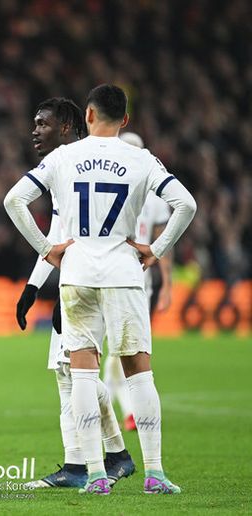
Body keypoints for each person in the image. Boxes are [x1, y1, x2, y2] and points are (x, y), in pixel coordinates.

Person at [4, 84, 196, 495]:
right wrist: (156, 249)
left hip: (77, 274)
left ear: (88, 115)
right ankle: (155, 474)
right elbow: (187, 205)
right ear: (125, 119)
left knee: (82, 375)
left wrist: (46, 250)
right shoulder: (141, 158)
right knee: (139, 375)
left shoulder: (63, 157)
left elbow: (13, 200)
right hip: (124, 273)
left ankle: (94, 474)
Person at [15, 98, 135, 489]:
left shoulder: (73, 165)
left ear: (66, 127)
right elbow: (59, 235)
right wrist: (34, 286)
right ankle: (104, 457)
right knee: (70, 372)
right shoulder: (71, 165)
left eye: (43, 124)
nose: (35, 131)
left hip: (89, 283)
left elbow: (69, 237)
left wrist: (68, 286)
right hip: (87, 280)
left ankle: (88, 462)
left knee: (76, 374)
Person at [103, 131, 173, 432]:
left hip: (139, 280)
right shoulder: (104, 186)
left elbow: (162, 240)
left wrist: (167, 284)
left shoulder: (155, 196)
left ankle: (113, 408)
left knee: (126, 349)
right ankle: (124, 410)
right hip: (106, 274)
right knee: (114, 349)